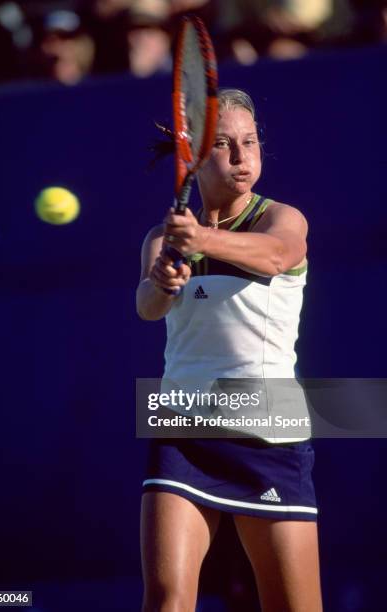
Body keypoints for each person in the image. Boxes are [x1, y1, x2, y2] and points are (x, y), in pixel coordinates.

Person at [136, 88, 323, 611]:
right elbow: (147, 306)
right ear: (192, 155)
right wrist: (163, 280)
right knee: (167, 599)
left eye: (250, 142)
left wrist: (202, 242)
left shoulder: (281, 219)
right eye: (223, 144)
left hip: (269, 431)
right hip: (183, 427)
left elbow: (276, 256)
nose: (242, 158)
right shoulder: (162, 237)